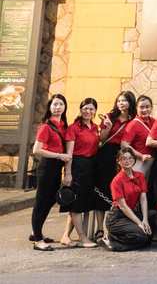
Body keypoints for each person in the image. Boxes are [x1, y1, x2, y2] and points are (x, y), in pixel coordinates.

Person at [59, 97, 101, 248]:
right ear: (80, 109)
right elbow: (69, 153)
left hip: (90, 166)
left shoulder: (95, 127)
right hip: (77, 165)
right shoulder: (74, 127)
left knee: (78, 203)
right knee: (76, 204)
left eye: (91, 109)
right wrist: (68, 173)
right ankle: (82, 237)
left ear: (95, 111)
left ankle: (65, 236)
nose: (88, 111)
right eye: (85, 108)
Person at [31, 94, 69, 251]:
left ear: (65, 107)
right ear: (49, 107)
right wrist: (60, 155)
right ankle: (38, 240)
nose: (58, 107)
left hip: (57, 167)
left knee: (50, 200)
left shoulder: (63, 125)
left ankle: (36, 231)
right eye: (55, 104)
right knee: (41, 202)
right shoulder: (46, 126)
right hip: (47, 166)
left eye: (61, 104)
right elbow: (36, 150)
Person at [94, 91, 136, 234]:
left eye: (124, 100)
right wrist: (107, 126)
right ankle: (99, 228)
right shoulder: (110, 116)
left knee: (121, 192)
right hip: (107, 154)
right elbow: (102, 138)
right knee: (103, 189)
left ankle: (117, 227)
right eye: (119, 101)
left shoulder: (135, 119)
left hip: (125, 156)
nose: (121, 103)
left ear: (131, 102)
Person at [104, 147, 153, 251]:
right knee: (142, 235)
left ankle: (137, 237)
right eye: (124, 159)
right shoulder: (117, 180)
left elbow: (143, 199)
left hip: (132, 213)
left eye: (130, 158)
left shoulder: (139, 176)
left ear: (134, 159)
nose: (127, 161)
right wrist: (139, 224)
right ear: (119, 161)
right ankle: (113, 240)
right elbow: (123, 207)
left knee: (154, 219)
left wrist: (145, 220)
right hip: (117, 217)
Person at [121, 95, 155, 177]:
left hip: (152, 160)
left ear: (151, 107)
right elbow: (124, 144)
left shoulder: (154, 122)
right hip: (139, 161)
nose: (145, 110)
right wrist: (140, 156)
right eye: (141, 107)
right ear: (137, 108)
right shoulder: (134, 124)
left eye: (147, 107)